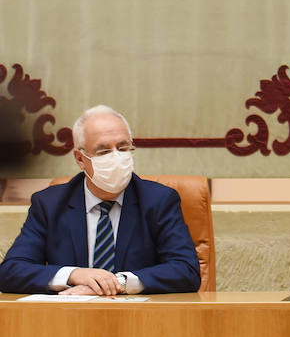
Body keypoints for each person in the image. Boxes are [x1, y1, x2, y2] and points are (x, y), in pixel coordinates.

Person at [0, 104, 201, 296]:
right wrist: (75, 275)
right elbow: (10, 271)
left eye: (123, 148)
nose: (116, 157)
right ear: (80, 159)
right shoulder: (50, 204)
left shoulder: (158, 200)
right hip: (70, 319)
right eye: (104, 151)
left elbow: (186, 270)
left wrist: (117, 283)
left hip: (139, 320)